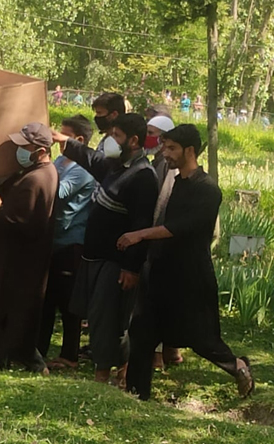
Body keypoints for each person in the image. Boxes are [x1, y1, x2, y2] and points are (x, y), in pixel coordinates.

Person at [120, 124, 255, 400]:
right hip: (161, 272)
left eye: (171, 148)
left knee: (200, 338)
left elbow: (178, 227)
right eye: (164, 147)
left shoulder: (207, 190)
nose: (164, 154)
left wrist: (138, 235)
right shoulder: (177, 182)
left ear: (190, 150)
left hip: (190, 276)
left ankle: (238, 365)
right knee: (142, 331)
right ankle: (136, 394)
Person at [51, 113, 158, 385]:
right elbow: (92, 158)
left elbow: (140, 227)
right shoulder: (115, 166)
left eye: (117, 136)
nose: (111, 141)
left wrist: (131, 267)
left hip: (115, 262)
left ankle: (103, 377)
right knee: (96, 315)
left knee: (105, 320)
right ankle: (121, 369)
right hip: (93, 256)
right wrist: (64, 141)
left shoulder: (143, 176)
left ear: (134, 141)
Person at [0, 123, 58, 373]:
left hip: (16, 260)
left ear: (40, 150)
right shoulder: (38, 172)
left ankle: (8, 356)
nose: (18, 150)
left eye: (24, 146)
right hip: (20, 258)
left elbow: (14, 219)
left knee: (8, 307)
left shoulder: (37, 179)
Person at [37, 115, 95, 370]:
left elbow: (57, 193)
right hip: (53, 240)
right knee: (47, 299)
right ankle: (38, 348)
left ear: (78, 140)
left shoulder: (82, 169)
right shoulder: (61, 160)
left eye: (62, 136)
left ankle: (69, 355)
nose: (56, 140)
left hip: (71, 243)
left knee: (69, 304)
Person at [142, 115, 184, 369]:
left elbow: (161, 205)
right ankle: (170, 349)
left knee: (153, 296)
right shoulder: (159, 162)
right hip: (161, 238)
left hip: (160, 240)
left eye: (152, 132)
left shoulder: (167, 166)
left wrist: (148, 234)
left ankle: (159, 353)